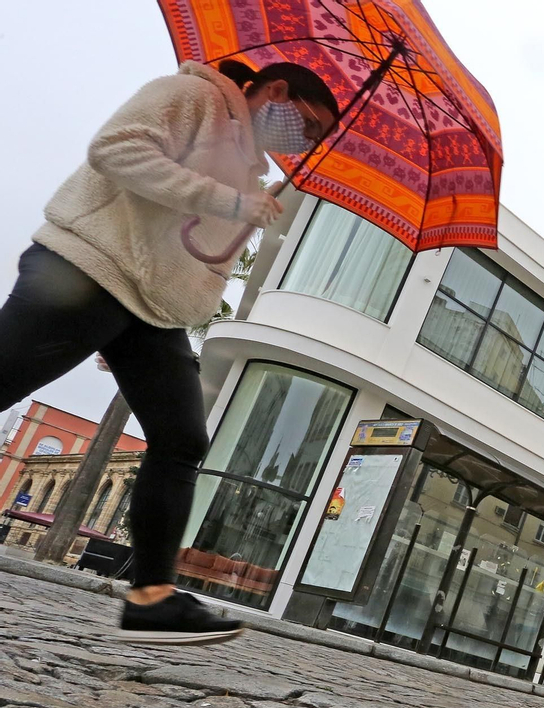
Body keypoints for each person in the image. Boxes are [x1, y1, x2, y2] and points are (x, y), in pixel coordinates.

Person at [0, 59, 337, 643]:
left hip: (148, 309)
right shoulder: (191, 96)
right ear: (276, 92)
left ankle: (152, 597)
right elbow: (116, 149)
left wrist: (245, 207)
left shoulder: (247, 164)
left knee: (182, 440)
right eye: (309, 126)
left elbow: (187, 241)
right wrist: (231, 202)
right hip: (89, 271)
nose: (307, 141)